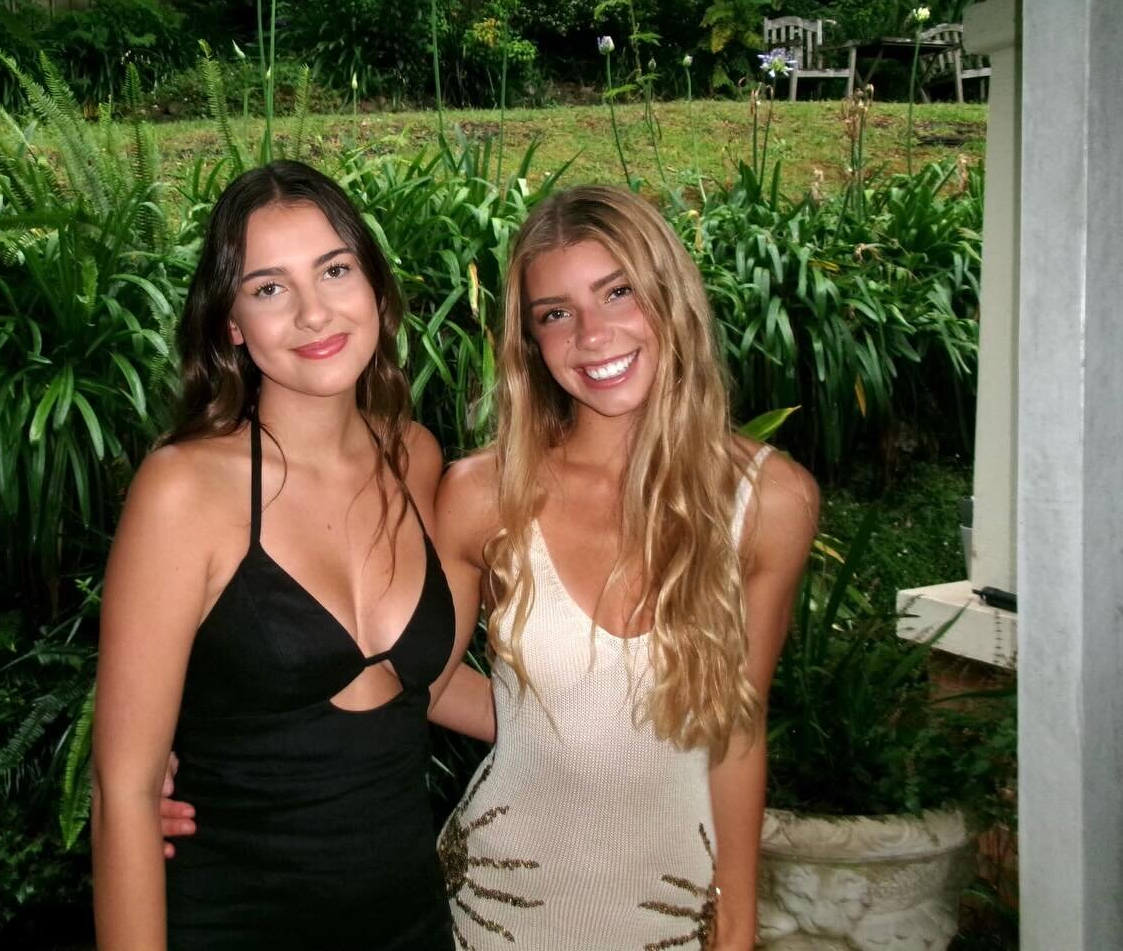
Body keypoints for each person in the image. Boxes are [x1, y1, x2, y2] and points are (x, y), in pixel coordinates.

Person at [91, 160, 478, 951]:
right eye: (269, 288)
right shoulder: (185, 491)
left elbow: (426, 686)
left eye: (334, 270)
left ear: (373, 285)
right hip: (233, 924)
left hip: (410, 921)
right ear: (231, 323)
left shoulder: (415, 456)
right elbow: (124, 794)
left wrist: (613, 726)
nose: (313, 312)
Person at [432, 185, 818, 951]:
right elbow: (423, 683)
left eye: (618, 292)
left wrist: (736, 924)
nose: (591, 334)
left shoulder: (769, 501)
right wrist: (549, 725)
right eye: (555, 313)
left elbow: (736, 730)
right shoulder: (484, 495)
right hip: (502, 904)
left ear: (671, 295)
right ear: (531, 342)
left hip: (670, 911)